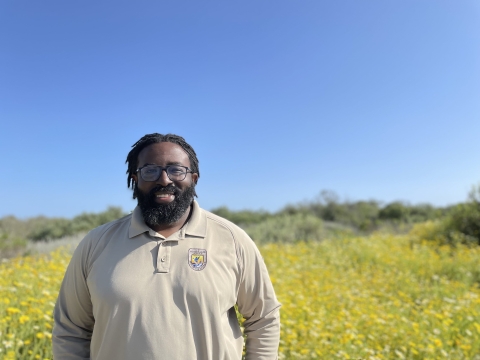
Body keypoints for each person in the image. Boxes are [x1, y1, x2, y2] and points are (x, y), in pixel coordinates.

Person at [52, 133, 281, 360]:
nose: (164, 180)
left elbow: (264, 318)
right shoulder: (96, 243)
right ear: (135, 179)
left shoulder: (233, 240)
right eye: (150, 170)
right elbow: (70, 328)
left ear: (194, 178)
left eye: (176, 170)